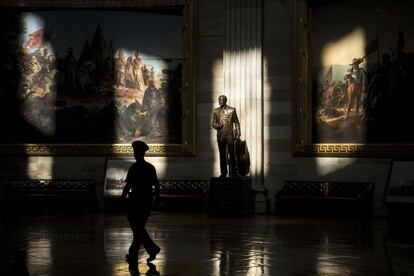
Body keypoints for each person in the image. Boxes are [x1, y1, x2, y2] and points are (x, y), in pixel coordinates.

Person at [121, 141, 161, 264]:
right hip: (147, 200)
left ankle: (152, 248)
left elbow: (129, 185)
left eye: (135, 152)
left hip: (136, 200)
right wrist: (157, 200)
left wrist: (122, 197)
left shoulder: (134, 167)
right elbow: (156, 185)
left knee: (137, 228)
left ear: (137, 153)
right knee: (139, 228)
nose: (134, 154)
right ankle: (136, 252)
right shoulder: (150, 167)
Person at [212, 95, 241, 177]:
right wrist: (218, 125)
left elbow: (236, 122)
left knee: (232, 154)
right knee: (222, 155)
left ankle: (234, 172)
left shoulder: (232, 110)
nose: (220, 101)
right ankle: (223, 173)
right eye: (219, 100)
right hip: (220, 135)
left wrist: (238, 132)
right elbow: (213, 123)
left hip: (229, 135)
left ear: (225, 101)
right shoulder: (216, 111)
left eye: (221, 100)